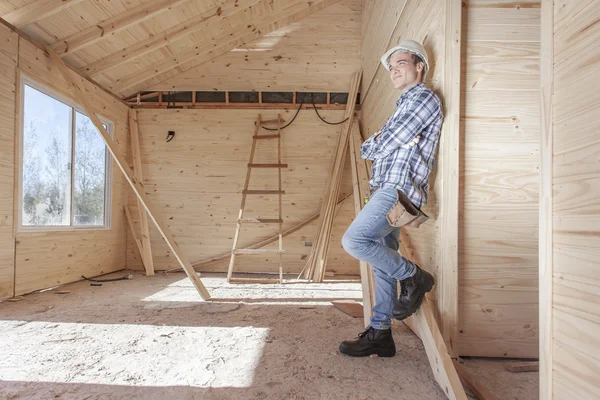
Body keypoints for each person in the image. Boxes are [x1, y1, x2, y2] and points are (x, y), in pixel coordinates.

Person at [339, 40, 443, 357]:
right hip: (385, 189)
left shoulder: (423, 98)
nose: (395, 70)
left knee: (354, 241)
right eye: (392, 67)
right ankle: (381, 333)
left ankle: (416, 277)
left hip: (397, 190)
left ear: (419, 66)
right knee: (382, 265)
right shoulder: (401, 106)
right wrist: (379, 142)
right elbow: (367, 147)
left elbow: (385, 143)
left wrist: (381, 141)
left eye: (401, 63)